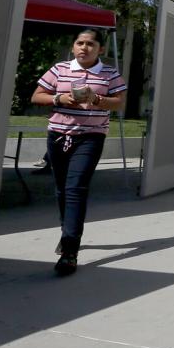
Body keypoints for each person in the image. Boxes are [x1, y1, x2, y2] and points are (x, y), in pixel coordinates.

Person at [30, 28, 127, 276]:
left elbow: (119, 101)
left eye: (90, 44)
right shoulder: (59, 69)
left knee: (76, 188)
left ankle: (70, 252)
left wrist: (98, 100)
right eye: (80, 43)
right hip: (58, 136)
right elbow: (36, 96)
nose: (84, 48)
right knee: (62, 189)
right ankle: (67, 231)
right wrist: (58, 99)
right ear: (73, 46)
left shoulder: (109, 73)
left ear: (100, 49)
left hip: (90, 137)